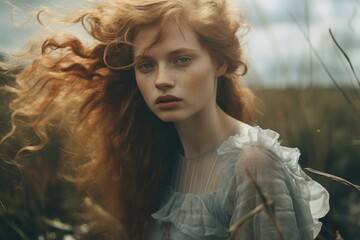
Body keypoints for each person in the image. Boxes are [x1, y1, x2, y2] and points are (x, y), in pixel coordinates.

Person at [1, 0, 329, 239]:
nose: (161, 80)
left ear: (219, 62)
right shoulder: (155, 157)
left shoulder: (253, 164)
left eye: (181, 59)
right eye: (146, 65)